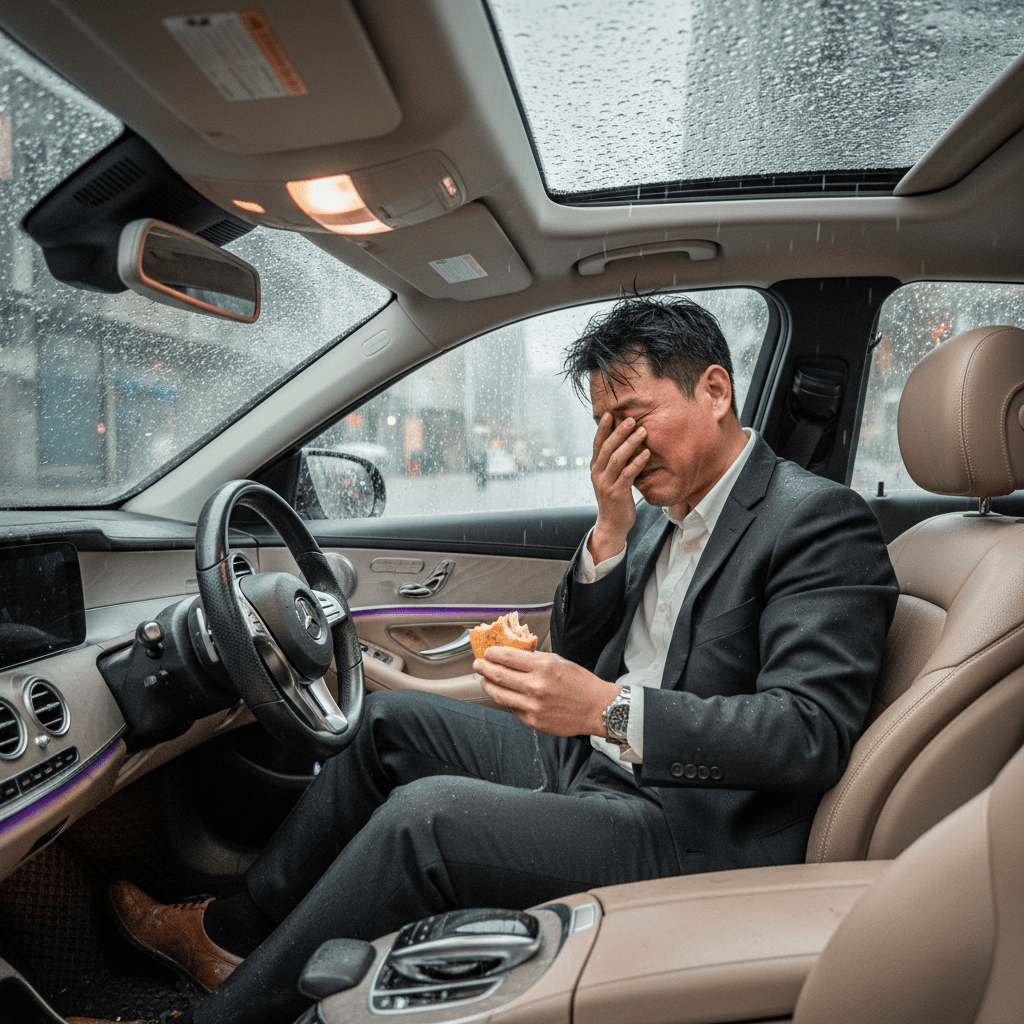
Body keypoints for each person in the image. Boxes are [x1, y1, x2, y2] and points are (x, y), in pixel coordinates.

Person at [69, 295, 899, 1024]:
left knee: (428, 819)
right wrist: (608, 533)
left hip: (686, 825)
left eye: (633, 416)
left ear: (714, 390)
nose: (618, 445)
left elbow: (808, 731)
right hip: (597, 761)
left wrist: (607, 710)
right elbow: (586, 652)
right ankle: (231, 937)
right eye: (604, 424)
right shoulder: (654, 510)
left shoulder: (815, 522)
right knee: (382, 725)